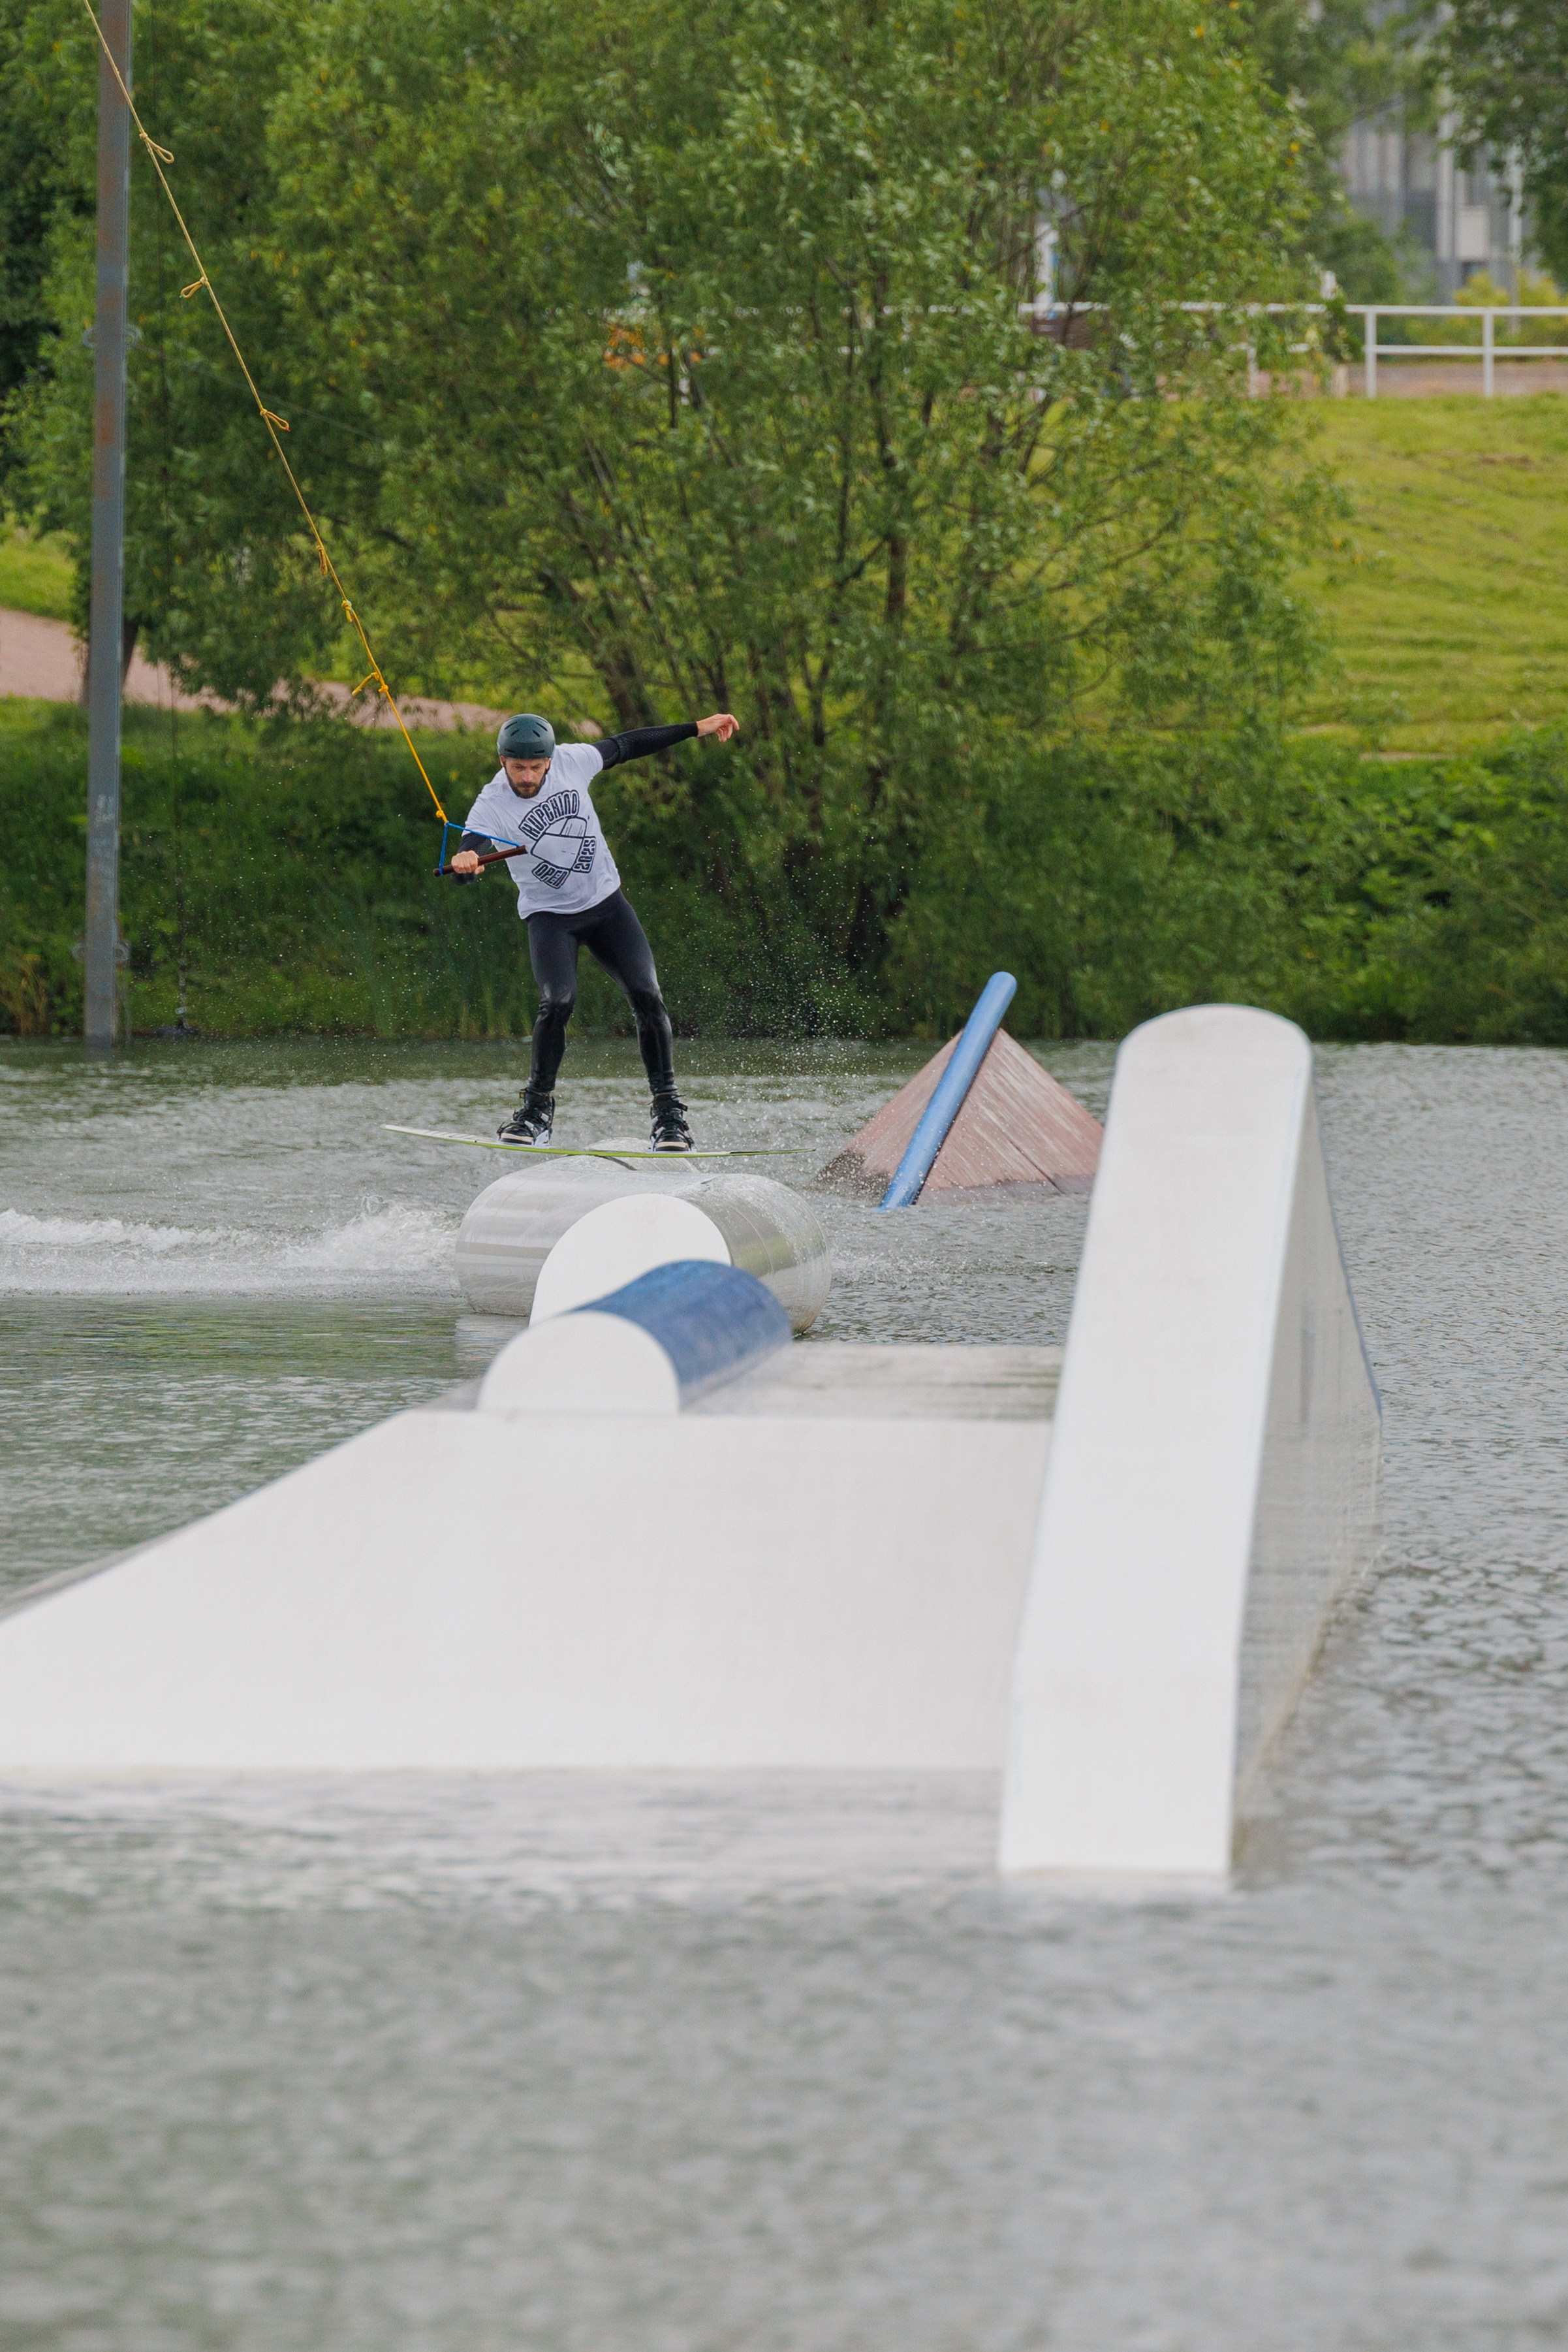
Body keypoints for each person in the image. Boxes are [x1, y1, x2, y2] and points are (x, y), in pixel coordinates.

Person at [450, 709, 740, 1149]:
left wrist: (695, 728)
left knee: (647, 995)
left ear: (549, 761)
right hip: (550, 918)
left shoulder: (572, 762)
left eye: (535, 767)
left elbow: (628, 744)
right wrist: (466, 864)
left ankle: (669, 1117)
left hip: (607, 908)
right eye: (518, 767)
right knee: (557, 1000)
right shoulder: (491, 805)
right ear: (502, 761)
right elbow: (468, 855)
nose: (527, 777)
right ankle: (535, 1113)